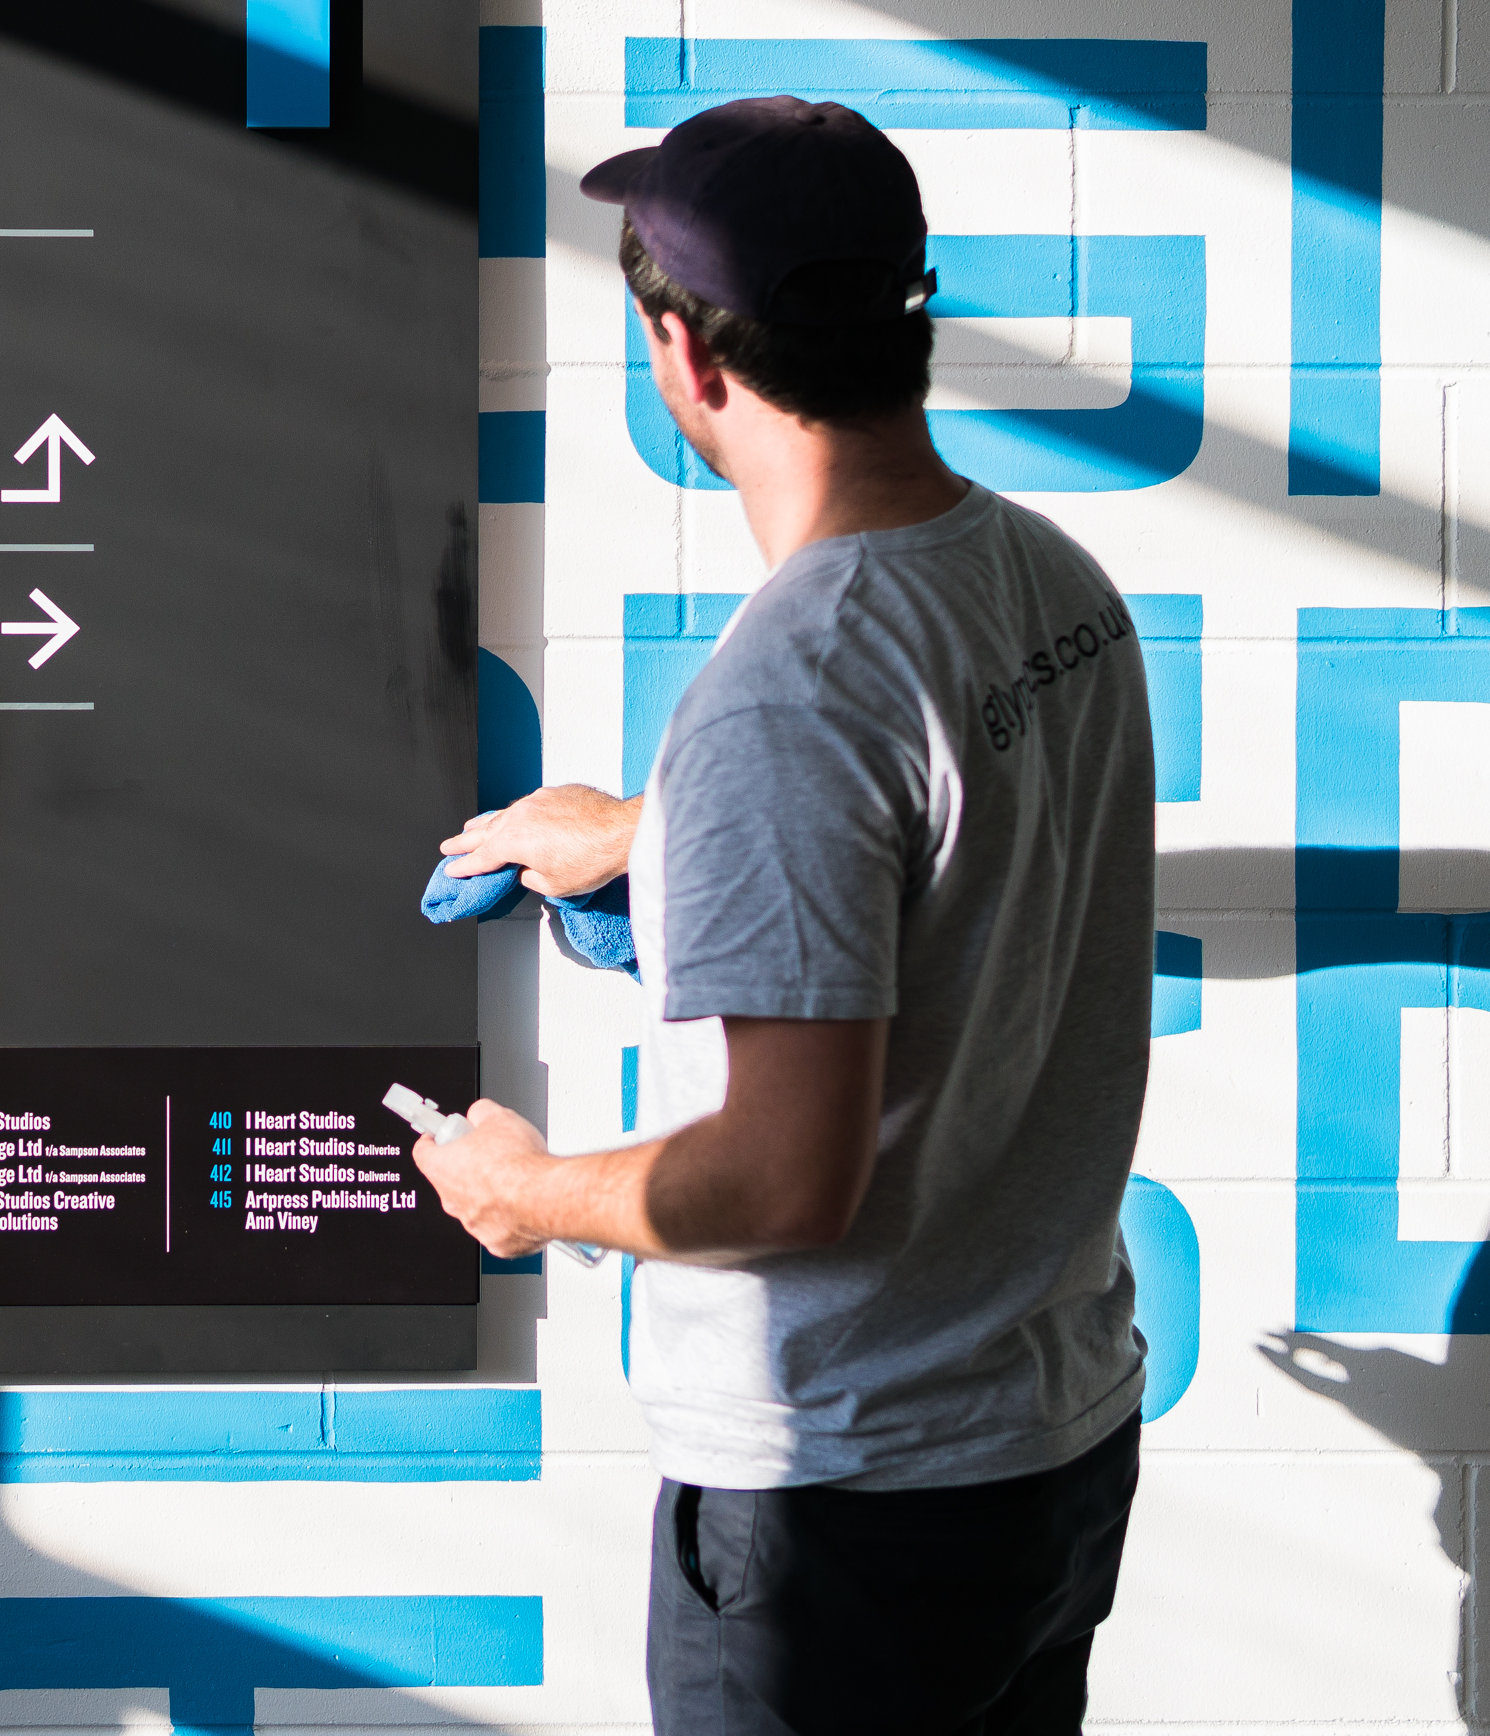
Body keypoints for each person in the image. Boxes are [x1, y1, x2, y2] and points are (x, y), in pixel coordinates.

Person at [411, 96, 1158, 1736]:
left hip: (850, 1504)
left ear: (683, 357)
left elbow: (785, 1176)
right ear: (918, 313)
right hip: (1049, 1441)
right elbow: (942, 823)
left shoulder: (787, 700)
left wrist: (526, 1189)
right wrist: (657, 836)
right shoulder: (1051, 584)